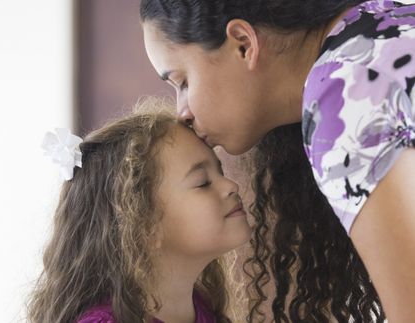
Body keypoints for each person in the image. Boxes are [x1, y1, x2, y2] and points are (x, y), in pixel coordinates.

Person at [140, 0, 415, 322]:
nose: (182, 113)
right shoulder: (388, 21)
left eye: (183, 82)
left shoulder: (346, 96)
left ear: (243, 44)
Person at [27, 100, 250, 323]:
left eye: (219, 170)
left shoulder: (201, 307)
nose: (231, 185)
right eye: (203, 182)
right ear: (144, 226)